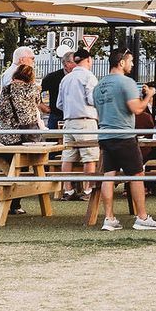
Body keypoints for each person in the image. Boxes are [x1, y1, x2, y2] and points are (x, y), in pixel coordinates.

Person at [90, 49, 156, 232]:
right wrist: (149, 95)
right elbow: (137, 109)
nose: (132, 64)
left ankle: (109, 218)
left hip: (105, 135)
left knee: (109, 176)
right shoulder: (126, 82)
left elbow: (99, 112)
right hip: (124, 135)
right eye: (130, 61)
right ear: (121, 62)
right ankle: (142, 217)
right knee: (137, 175)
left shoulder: (99, 86)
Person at [56, 47, 100, 200]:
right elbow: (92, 99)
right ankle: (88, 190)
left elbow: (59, 104)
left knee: (68, 156)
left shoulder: (65, 78)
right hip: (86, 121)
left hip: (68, 121)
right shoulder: (89, 77)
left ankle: (68, 190)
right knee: (90, 157)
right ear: (88, 60)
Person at [0, 64, 42, 147]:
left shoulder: (6, 89)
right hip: (27, 134)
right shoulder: (33, 88)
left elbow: (1, 107)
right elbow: (37, 102)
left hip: (6, 135)